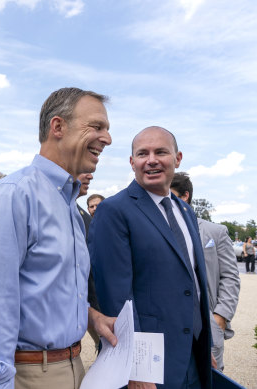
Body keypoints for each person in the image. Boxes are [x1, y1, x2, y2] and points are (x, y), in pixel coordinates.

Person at [0, 87, 117, 389]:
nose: (107, 138)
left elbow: (46, 288)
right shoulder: (15, 195)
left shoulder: (69, 206)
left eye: (107, 129)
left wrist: (91, 318)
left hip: (71, 367)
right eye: (97, 126)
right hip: (30, 374)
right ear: (58, 127)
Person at [89, 126, 212, 388]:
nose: (151, 160)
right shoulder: (114, 210)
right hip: (150, 369)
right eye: (142, 153)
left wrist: (203, 344)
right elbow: (116, 299)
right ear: (132, 162)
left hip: (192, 356)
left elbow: (193, 284)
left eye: (161, 152)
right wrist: (135, 368)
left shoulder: (185, 211)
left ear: (177, 159)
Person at [170, 172, 240, 371]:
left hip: (208, 322)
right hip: (171, 321)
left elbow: (230, 276)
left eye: (170, 195)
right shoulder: (157, 229)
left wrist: (220, 317)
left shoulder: (215, 232)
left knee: (209, 377)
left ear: (185, 196)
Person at [76, 173, 101, 347]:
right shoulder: (79, 214)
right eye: (91, 206)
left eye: (97, 205)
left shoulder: (84, 217)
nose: (94, 209)